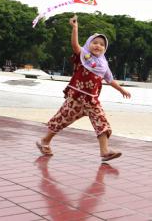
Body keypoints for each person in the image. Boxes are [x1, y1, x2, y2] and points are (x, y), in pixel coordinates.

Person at [36, 15, 131, 161]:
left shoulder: (103, 65)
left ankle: (105, 151)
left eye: (101, 44)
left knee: (101, 121)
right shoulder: (83, 56)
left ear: (105, 49)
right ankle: (45, 141)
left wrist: (122, 90)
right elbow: (75, 45)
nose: (98, 46)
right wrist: (75, 28)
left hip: (92, 101)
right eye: (95, 42)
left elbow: (110, 80)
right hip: (75, 98)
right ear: (89, 44)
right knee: (61, 120)